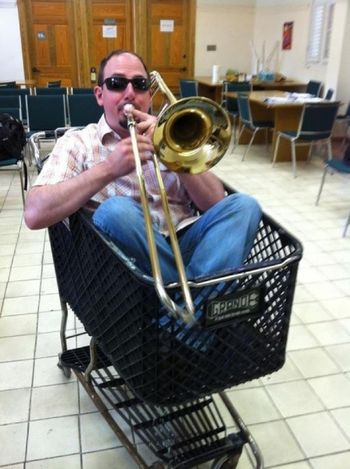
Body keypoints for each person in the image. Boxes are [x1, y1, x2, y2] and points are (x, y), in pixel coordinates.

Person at [24, 49, 262, 290]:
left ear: (149, 93)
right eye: (117, 84)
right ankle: (196, 308)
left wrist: (173, 152)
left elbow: (215, 203)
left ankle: (182, 313)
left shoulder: (168, 134)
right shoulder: (79, 142)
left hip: (187, 246)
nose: (130, 94)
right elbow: (34, 213)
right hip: (124, 273)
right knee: (115, 211)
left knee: (244, 205)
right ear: (99, 95)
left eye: (140, 84)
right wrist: (109, 169)